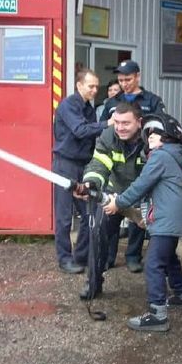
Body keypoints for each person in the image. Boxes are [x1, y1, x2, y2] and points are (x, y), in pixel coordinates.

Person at [104, 114, 182, 332]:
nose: (150, 137)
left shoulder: (161, 157)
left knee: (154, 264)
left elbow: (140, 186)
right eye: (149, 133)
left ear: (169, 137)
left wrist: (119, 203)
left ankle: (158, 315)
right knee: (168, 256)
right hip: (172, 216)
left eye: (156, 133)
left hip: (168, 218)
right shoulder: (172, 156)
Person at [82, 102, 146, 296]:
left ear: (139, 122)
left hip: (141, 195)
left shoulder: (151, 138)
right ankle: (94, 282)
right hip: (113, 195)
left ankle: (175, 290)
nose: (119, 128)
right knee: (98, 233)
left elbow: (153, 175)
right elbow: (99, 164)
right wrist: (91, 184)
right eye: (116, 122)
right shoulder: (109, 135)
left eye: (125, 123)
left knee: (163, 240)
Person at [53, 69, 113, 274]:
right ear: (79, 86)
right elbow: (79, 131)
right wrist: (107, 124)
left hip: (84, 164)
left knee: (89, 212)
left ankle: (80, 256)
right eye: (91, 86)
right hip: (65, 164)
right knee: (63, 216)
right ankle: (64, 259)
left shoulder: (89, 108)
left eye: (97, 86)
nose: (95, 90)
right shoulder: (69, 105)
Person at [99, 60, 166, 120]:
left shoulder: (153, 100)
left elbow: (162, 124)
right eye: (120, 80)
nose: (124, 84)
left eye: (128, 80)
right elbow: (102, 127)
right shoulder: (112, 101)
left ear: (138, 77)